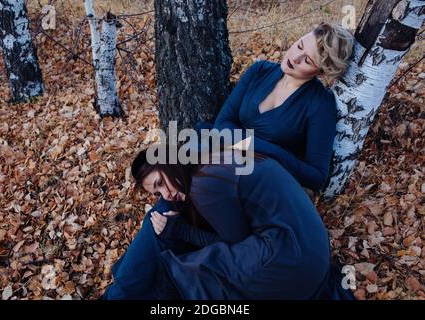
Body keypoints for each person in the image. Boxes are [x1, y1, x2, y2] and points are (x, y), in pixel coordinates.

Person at [101, 148, 355, 300]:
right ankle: (122, 290)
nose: (165, 196)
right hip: (310, 244)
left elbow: (234, 244)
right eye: (156, 193)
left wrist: (179, 230)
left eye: (159, 183)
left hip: (293, 258)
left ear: (168, 162)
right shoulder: (210, 158)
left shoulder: (205, 184)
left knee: (193, 271)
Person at [211, 22, 354, 192]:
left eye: (307, 60)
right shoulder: (259, 70)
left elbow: (317, 177)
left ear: (320, 72)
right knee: (173, 169)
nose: (295, 58)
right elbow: (221, 125)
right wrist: (254, 145)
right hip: (222, 156)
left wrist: (268, 151)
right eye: (299, 46)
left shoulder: (321, 103)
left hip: (261, 180)